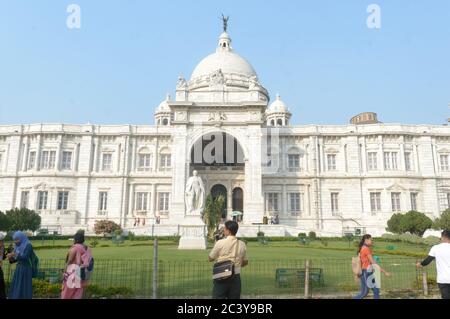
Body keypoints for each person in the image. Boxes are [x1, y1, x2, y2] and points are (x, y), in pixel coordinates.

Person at [208, 220, 248, 299]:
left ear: (228, 231)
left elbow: (210, 258)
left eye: (224, 228)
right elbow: (245, 262)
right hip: (235, 276)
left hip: (221, 275)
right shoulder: (242, 244)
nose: (223, 230)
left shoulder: (220, 243)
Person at [353, 234, 391, 299]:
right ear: (366, 240)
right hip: (366, 273)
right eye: (371, 240)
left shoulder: (363, 248)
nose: (372, 241)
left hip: (369, 272)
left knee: (376, 289)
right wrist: (385, 272)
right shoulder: (366, 249)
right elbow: (373, 263)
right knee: (364, 292)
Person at [416, 230, 450, 299]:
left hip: (443, 279)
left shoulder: (436, 248)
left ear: (442, 237)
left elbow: (428, 260)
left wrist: (420, 264)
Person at [61, 231, 92, 299]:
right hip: (83, 272)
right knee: (78, 292)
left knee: (67, 292)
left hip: (73, 272)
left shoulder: (75, 248)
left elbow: (70, 261)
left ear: (76, 239)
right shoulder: (87, 248)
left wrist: (64, 271)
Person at [7, 231, 34, 299]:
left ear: (21, 237)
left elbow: (25, 257)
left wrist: (15, 254)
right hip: (19, 269)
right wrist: (10, 258)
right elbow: (16, 260)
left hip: (26, 269)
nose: (16, 241)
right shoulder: (17, 246)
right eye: (14, 240)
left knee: (25, 286)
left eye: (17, 239)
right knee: (17, 285)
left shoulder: (28, 245)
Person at [0, 233, 7, 299]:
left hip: (0, 269)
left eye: (3, 241)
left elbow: (3, 257)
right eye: (1, 241)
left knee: (2, 285)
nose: (3, 242)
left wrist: (8, 254)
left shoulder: (2, 248)